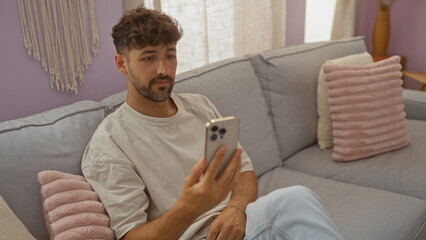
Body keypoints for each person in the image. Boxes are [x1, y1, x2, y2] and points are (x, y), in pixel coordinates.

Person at [81, 6, 344, 240]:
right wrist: (189, 208)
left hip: (240, 224)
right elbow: (131, 235)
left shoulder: (199, 106)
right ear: (121, 64)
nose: (163, 69)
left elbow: (243, 172)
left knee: (297, 198)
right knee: (293, 201)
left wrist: (236, 209)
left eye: (170, 55)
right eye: (149, 57)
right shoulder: (110, 144)